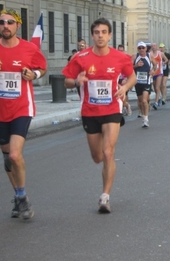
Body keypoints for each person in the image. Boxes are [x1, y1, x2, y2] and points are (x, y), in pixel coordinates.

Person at [62, 18, 136, 213]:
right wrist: (77, 81)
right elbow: (66, 81)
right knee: (97, 157)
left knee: (108, 152)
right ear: (92, 35)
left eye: (104, 32)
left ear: (109, 35)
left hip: (112, 108)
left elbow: (132, 77)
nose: (100, 35)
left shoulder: (120, 57)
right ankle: (106, 166)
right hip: (90, 111)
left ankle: (105, 197)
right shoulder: (81, 57)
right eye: (97, 32)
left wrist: (125, 87)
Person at [0, 9, 47, 219]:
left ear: (17, 26)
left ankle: (21, 197)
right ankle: (18, 196)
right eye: (2, 22)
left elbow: (42, 67)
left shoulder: (29, 48)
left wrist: (34, 74)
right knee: (7, 159)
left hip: (22, 108)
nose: (6, 25)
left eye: (10, 22)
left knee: (15, 154)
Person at [132, 41, 157, 127]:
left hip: (147, 81)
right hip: (137, 81)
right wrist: (136, 65)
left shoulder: (149, 56)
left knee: (144, 100)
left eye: (143, 48)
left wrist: (153, 70)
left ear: (146, 48)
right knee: (140, 101)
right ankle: (143, 115)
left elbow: (155, 65)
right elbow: (129, 67)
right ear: (138, 49)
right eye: (140, 48)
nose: (141, 49)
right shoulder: (135, 56)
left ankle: (146, 119)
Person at [149, 43, 168, 110]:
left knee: (157, 87)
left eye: (154, 46)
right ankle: (159, 98)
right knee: (155, 88)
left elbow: (166, 59)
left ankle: (156, 103)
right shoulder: (149, 54)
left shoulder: (160, 53)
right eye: (152, 46)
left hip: (159, 72)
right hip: (153, 73)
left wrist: (164, 62)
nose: (153, 47)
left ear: (156, 47)